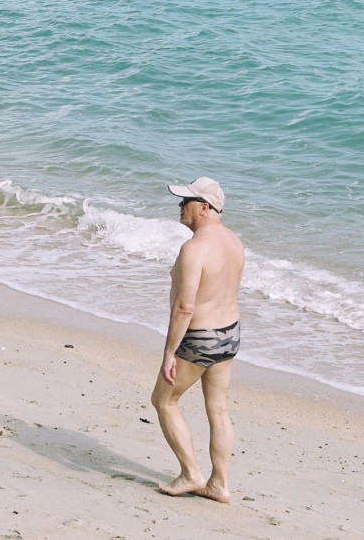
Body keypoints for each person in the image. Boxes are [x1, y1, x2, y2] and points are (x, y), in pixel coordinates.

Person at [152, 177, 245, 503]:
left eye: (186, 201)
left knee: (164, 400)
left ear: (204, 208)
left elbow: (185, 306)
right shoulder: (234, 241)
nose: (180, 206)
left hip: (199, 337)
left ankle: (191, 474)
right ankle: (219, 484)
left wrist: (169, 353)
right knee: (218, 410)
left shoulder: (194, 249)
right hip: (229, 335)